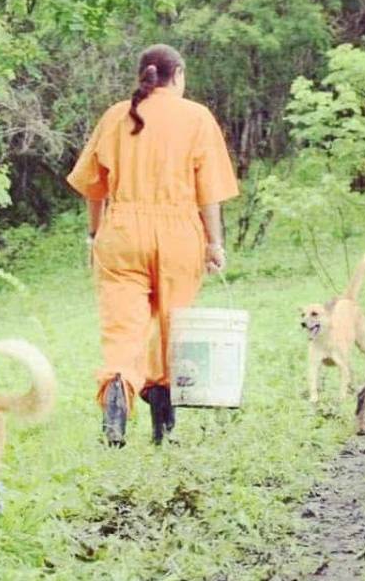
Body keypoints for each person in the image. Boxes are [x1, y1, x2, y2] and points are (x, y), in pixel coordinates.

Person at [66, 44, 239, 447]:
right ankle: (164, 425)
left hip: (122, 232)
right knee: (171, 328)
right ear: (176, 74)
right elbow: (208, 192)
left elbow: (94, 185)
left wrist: (95, 234)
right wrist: (215, 243)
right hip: (180, 234)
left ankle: (116, 400)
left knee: (123, 329)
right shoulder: (196, 117)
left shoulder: (116, 115)